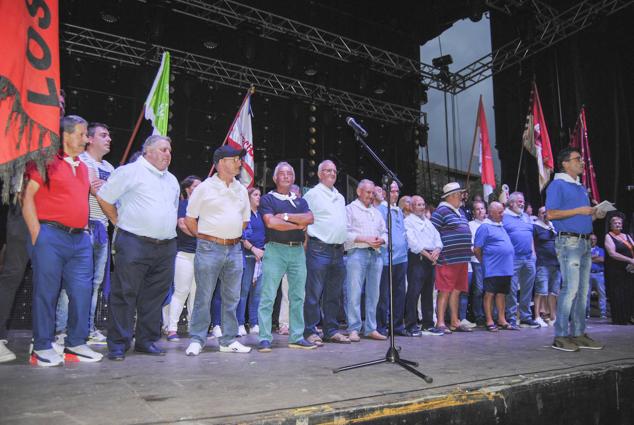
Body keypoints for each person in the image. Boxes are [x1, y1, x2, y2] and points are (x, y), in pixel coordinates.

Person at [22, 115, 102, 366]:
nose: (86, 139)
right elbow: (27, 198)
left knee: (82, 292)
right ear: (65, 136)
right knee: (47, 292)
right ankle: (42, 346)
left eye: (86, 134)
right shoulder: (45, 161)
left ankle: (76, 344)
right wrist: (38, 234)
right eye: (81, 134)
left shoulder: (84, 167)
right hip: (50, 236)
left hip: (79, 240)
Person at [97, 135, 180, 360]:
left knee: (155, 296)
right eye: (163, 150)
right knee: (125, 293)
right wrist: (119, 222)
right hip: (134, 242)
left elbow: (171, 209)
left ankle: (146, 340)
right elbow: (104, 197)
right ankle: (118, 343)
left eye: (169, 151)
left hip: (165, 246)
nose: (168, 154)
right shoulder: (129, 171)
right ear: (148, 151)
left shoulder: (172, 179)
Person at [184, 146, 252, 355]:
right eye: (235, 159)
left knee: (232, 296)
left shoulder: (241, 189)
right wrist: (206, 238)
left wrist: (229, 236)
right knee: (203, 295)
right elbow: (189, 219)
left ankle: (228, 340)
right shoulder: (204, 187)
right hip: (208, 248)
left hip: (234, 249)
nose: (239, 163)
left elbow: (245, 220)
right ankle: (197, 338)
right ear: (221, 162)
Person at [56, 122, 115, 345]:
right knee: (72, 281)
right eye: (103, 135)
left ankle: (87, 328)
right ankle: (61, 329)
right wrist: (102, 189)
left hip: (103, 228)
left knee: (95, 282)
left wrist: (104, 189)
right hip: (83, 227)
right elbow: (92, 189)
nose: (108, 139)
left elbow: (114, 197)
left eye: (109, 135)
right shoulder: (82, 161)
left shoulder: (110, 168)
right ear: (89, 139)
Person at [546, 146, 603, 351]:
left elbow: (581, 215)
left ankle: (578, 333)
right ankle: (561, 336)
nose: (582, 162)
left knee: (583, 290)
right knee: (570, 289)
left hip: (585, 242)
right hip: (569, 243)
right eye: (577, 159)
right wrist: (580, 210)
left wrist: (595, 214)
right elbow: (551, 214)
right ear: (565, 163)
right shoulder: (557, 184)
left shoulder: (579, 186)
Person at [257, 162, 316, 352]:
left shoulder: (301, 201)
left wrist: (285, 217)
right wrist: (297, 224)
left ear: (293, 178)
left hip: (298, 251)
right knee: (268, 295)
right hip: (275, 250)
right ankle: (265, 338)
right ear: (274, 178)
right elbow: (271, 222)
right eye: (281, 174)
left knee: (298, 296)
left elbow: (310, 218)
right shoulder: (268, 199)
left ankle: (297, 336)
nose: (286, 176)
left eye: (289, 173)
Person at [302, 160, 350, 344]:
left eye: (334, 171)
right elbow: (305, 221)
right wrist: (305, 246)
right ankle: (310, 331)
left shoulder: (340, 196)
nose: (332, 173)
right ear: (319, 174)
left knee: (333, 294)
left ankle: (331, 330)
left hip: (338, 251)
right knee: (313, 293)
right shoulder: (312, 194)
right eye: (327, 170)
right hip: (318, 249)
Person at [344, 179, 388, 342]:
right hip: (357, 253)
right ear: (359, 192)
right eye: (368, 192)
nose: (371, 196)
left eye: (372, 193)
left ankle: (371, 328)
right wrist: (365, 239)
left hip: (376, 255)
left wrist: (382, 241)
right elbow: (344, 233)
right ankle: (354, 329)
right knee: (354, 292)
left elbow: (385, 232)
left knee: (374, 294)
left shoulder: (377, 212)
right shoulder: (349, 209)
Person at [431, 182, 473, 334]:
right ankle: (441, 322)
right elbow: (432, 232)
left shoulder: (460, 211)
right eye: (460, 194)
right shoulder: (441, 211)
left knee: (456, 290)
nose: (462, 197)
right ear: (453, 196)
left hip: (461, 258)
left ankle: (455, 321)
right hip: (447, 258)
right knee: (445, 290)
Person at [164, 176, 202, 341]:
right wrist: (203, 236)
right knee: (181, 291)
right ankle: (172, 328)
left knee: (196, 293)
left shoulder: (203, 208)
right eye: (196, 186)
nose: (200, 189)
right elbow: (182, 224)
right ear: (188, 189)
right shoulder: (182, 205)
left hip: (201, 255)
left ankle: (193, 327)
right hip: (185, 254)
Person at [403, 195, 443, 336]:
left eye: (422, 204)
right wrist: (429, 255)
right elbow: (413, 243)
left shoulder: (428, 222)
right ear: (412, 207)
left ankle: (428, 324)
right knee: (413, 293)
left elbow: (438, 238)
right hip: (418, 258)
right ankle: (411, 325)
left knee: (428, 293)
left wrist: (437, 251)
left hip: (431, 259)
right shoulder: (408, 222)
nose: (421, 207)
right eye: (418, 204)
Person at [474, 202, 516, 332]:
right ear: (491, 213)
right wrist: (484, 262)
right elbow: (477, 249)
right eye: (500, 212)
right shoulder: (485, 227)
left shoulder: (500, 226)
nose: (503, 214)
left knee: (502, 294)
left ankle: (502, 319)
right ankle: (489, 320)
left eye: (503, 211)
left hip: (505, 267)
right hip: (492, 267)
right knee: (489, 294)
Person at [376, 181, 409, 337]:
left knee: (399, 294)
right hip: (386, 259)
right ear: (384, 192)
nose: (395, 194)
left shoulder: (399, 211)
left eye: (397, 191)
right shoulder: (380, 210)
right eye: (392, 191)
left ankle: (397, 326)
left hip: (401, 259)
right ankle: (381, 326)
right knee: (384, 296)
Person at [502, 192, 539, 328]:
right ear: (511, 203)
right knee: (511, 290)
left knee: (527, 289)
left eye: (522, 201)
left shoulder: (526, 217)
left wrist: (533, 255)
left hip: (529, 258)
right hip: (513, 259)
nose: (521, 203)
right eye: (518, 201)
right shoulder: (504, 217)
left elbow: (530, 237)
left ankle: (525, 316)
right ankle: (511, 317)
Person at [237, 187, 266, 336]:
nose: (258, 197)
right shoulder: (244, 214)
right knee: (244, 291)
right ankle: (240, 323)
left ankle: (254, 323)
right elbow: (241, 236)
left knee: (257, 293)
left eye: (260, 195)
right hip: (247, 255)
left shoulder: (261, 214)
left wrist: (262, 251)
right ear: (248, 197)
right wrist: (253, 249)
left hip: (261, 257)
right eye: (255, 195)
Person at [604, 215, 634, 325]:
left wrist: (632, 262)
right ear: (611, 225)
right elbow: (612, 253)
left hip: (629, 270)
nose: (618, 224)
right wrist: (630, 260)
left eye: (619, 223)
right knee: (618, 294)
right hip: (616, 270)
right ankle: (619, 318)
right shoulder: (609, 236)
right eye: (615, 223)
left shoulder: (627, 236)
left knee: (629, 293)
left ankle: (629, 316)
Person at [533, 206, 560, 327]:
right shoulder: (536, 226)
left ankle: (553, 317)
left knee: (553, 292)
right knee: (541, 291)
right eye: (543, 212)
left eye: (547, 212)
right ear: (539, 215)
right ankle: (537, 316)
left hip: (556, 264)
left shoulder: (553, 226)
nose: (545, 214)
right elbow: (531, 243)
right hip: (543, 263)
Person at [466, 200, 487, 327]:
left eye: (482, 208)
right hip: (476, 261)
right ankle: (478, 315)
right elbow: (471, 244)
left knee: (490, 290)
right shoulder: (470, 225)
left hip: (491, 262)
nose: (480, 211)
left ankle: (490, 315)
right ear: (473, 212)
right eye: (477, 209)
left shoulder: (490, 224)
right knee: (478, 290)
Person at [588, 233, 607, 319]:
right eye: (591, 239)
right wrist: (595, 257)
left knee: (602, 294)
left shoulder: (601, 250)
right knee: (586, 294)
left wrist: (589, 258)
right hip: (587, 274)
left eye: (594, 239)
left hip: (599, 274)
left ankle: (603, 313)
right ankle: (586, 313)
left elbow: (602, 259)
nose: (592, 241)